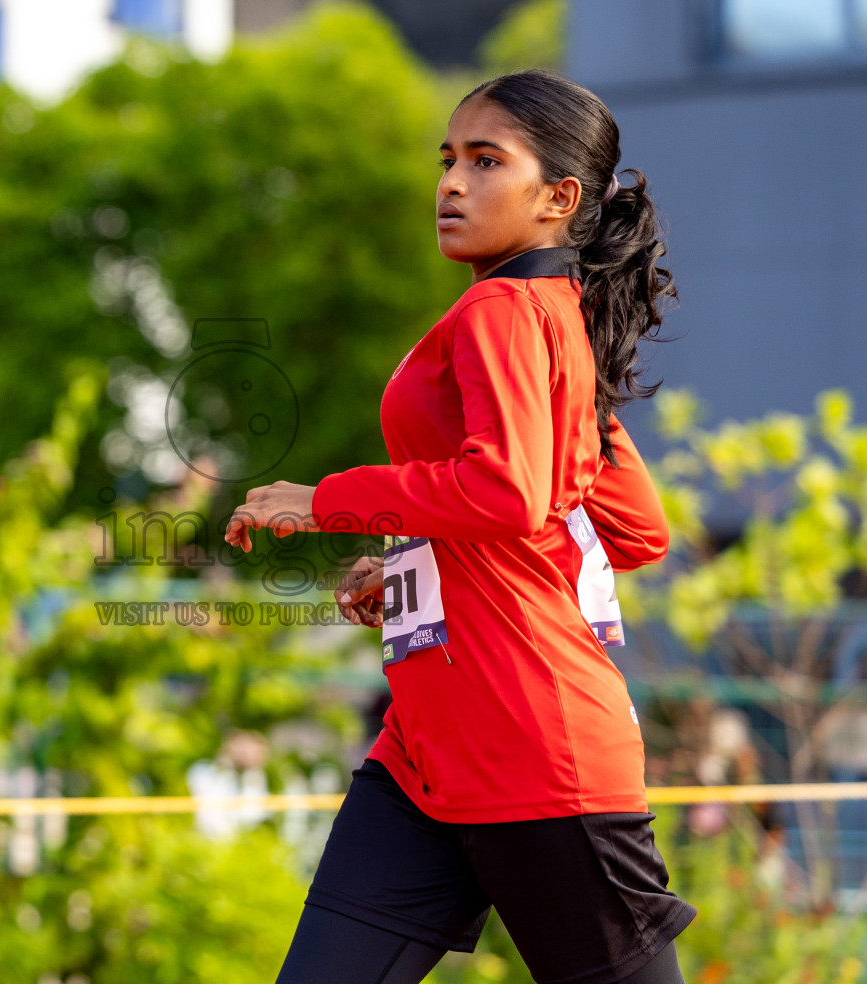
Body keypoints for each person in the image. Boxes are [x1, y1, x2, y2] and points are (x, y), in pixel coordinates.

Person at [223, 69, 696, 984]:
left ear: (559, 198)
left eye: (486, 161)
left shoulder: (504, 309)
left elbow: (513, 494)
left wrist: (320, 500)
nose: (450, 182)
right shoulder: (558, 321)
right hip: (426, 760)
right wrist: (410, 560)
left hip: (533, 756)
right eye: (448, 159)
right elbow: (626, 527)